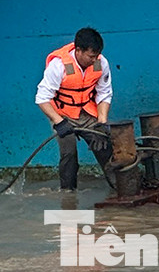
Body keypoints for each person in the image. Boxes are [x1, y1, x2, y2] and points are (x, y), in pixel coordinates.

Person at [36, 27, 115, 191]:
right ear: (78, 51)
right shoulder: (59, 66)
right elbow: (42, 98)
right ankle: (68, 195)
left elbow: (104, 93)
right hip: (62, 114)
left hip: (86, 113)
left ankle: (119, 188)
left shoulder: (101, 63)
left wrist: (102, 122)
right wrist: (59, 123)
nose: (95, 60)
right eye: (91, 56)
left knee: (104, 146)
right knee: (69, 154)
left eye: (97, 56)